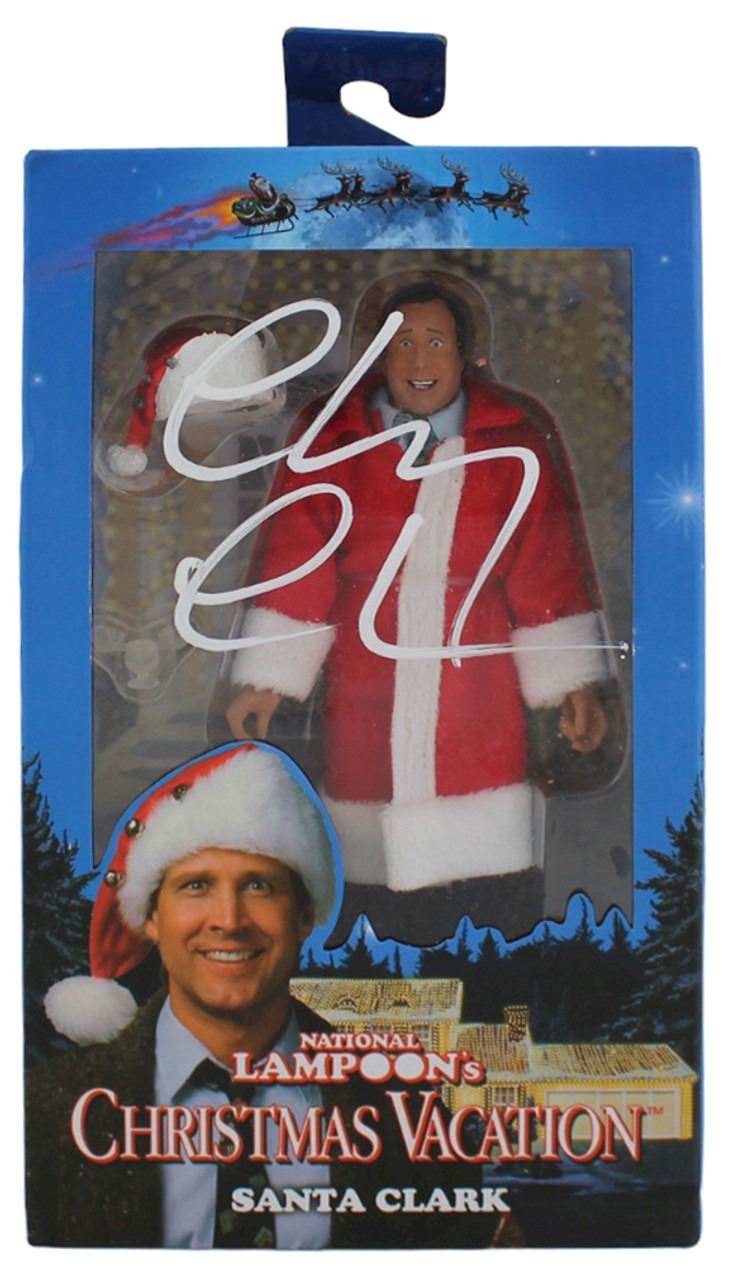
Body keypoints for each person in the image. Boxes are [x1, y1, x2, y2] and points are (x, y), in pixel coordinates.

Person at [224, 278, 610, 944]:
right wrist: (270, 676)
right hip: (366, 671)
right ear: (379, 356)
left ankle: (493, 955)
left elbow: (547, 566)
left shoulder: (514, 441)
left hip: (477, 673)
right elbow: (299, 555)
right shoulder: (336, 440)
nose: (419, 360)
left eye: (435, 342)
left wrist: (571, 682)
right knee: (363, 801)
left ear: (465, 355)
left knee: (482, 813)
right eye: (401, 343)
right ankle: (367, 943)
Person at [26, 742, 500, 1249]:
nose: (229, 921)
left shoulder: (405, 1110)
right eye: (196, 886)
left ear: (303, 916)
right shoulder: (46, 1111)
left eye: (258, 886)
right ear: (151, 918)